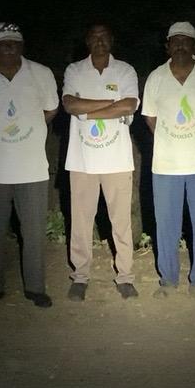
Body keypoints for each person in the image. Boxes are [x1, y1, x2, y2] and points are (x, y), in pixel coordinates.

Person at [0, 23, 59, 309]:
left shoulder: (41, 73)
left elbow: (51, 109)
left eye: (14, 42)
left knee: (34, 233)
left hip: (32, 168)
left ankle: (36, 288)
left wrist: (27, 126)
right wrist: (1, 131)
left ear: (22, 46)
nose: (9, 47)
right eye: (3, 43)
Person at [142, 21, 195, 296]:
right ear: (167, 46)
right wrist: (174, 138)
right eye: (175, 41)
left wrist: (191, 136)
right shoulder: (156, 77)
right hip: (166, 164)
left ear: (194, 45)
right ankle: (168, 279)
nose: (180, 45)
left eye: (186, 40)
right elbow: (150, 118)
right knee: (166, 225)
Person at [61, 24, 140, 301]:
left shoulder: (125, 70)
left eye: (104, 36)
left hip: (117, 159)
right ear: (87, 41)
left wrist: (87, 111)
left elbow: (129, 105)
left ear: (112, 40)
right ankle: (80, 276)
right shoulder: (74, 70)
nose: (99, 41)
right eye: (94, 37)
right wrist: (110, 103)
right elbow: (70, 105)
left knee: (121, 222)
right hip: (81, 159)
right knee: (80, 221)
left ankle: (125, 277)